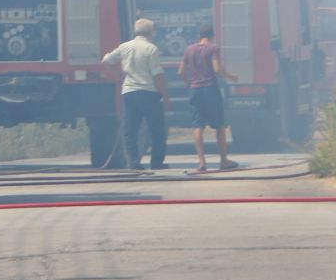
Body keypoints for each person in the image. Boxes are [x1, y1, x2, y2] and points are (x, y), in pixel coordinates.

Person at [101, 18, 170, 170]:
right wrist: (165, 96)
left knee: (130, 130)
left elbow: (106, 60)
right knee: (157, 130)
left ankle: (133, 162)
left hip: (130, 92)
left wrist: (119, 75)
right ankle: (157, 162)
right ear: (150, 33)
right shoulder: (151, 49)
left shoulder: (125, 47)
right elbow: (157, 76)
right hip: (149, 93)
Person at [179, 24, 238, 172]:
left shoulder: (189, 49)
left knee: (198, 126)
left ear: (199, 35)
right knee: (219, 126)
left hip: (195, 90)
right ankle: (223, 161)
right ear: (212, 36)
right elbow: (217, 68)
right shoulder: (213, 48)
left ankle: (202, 162)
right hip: (210, 89)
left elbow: (180, 72)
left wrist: (189, 83)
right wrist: (231, 77)